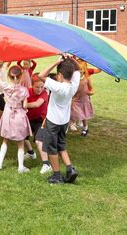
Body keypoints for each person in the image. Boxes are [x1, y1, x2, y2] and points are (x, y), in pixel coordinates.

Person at [38, 55, 80, 184]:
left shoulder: (57, 86)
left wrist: (57, 61)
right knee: (61, 145)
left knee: (52, 148)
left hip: (53, 122)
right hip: (64, 122)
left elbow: (41, 75)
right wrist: (71, 59)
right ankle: (69, 169)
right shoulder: (74, 85)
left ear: (60, 75)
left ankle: (56, 175)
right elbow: (77, 70)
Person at [0, 65, 32, 173]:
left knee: (5, 140)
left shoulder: (5, 86)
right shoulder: (24, 90)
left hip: (8, 115)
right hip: (19, 116)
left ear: (9, 75)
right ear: (21, 76)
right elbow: (25, 105)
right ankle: (20, 167)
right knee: (21, 142)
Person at [24, 74, 53, 174]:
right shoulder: (27, 91)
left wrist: (23, 105)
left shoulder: (44, 93)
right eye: (37, 87)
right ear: (32, 85)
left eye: (42, 87)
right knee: (21, 137)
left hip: (41, 120)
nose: (40, 89)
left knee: (38, 140)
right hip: (28, 119)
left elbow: (37, 104)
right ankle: (31, 153)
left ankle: (46, 164)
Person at [70, 66, 94, 137]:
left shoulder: (87, 79)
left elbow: (92, 89)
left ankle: (85, 128)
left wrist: (91, 93)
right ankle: (72, 123)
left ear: (84, 70)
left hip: (84, 100)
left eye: (81, 70)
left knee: (83, 116)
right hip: (76, 99)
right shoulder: (73, 79)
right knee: (74, 112)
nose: (79, 71)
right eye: (77, 70)